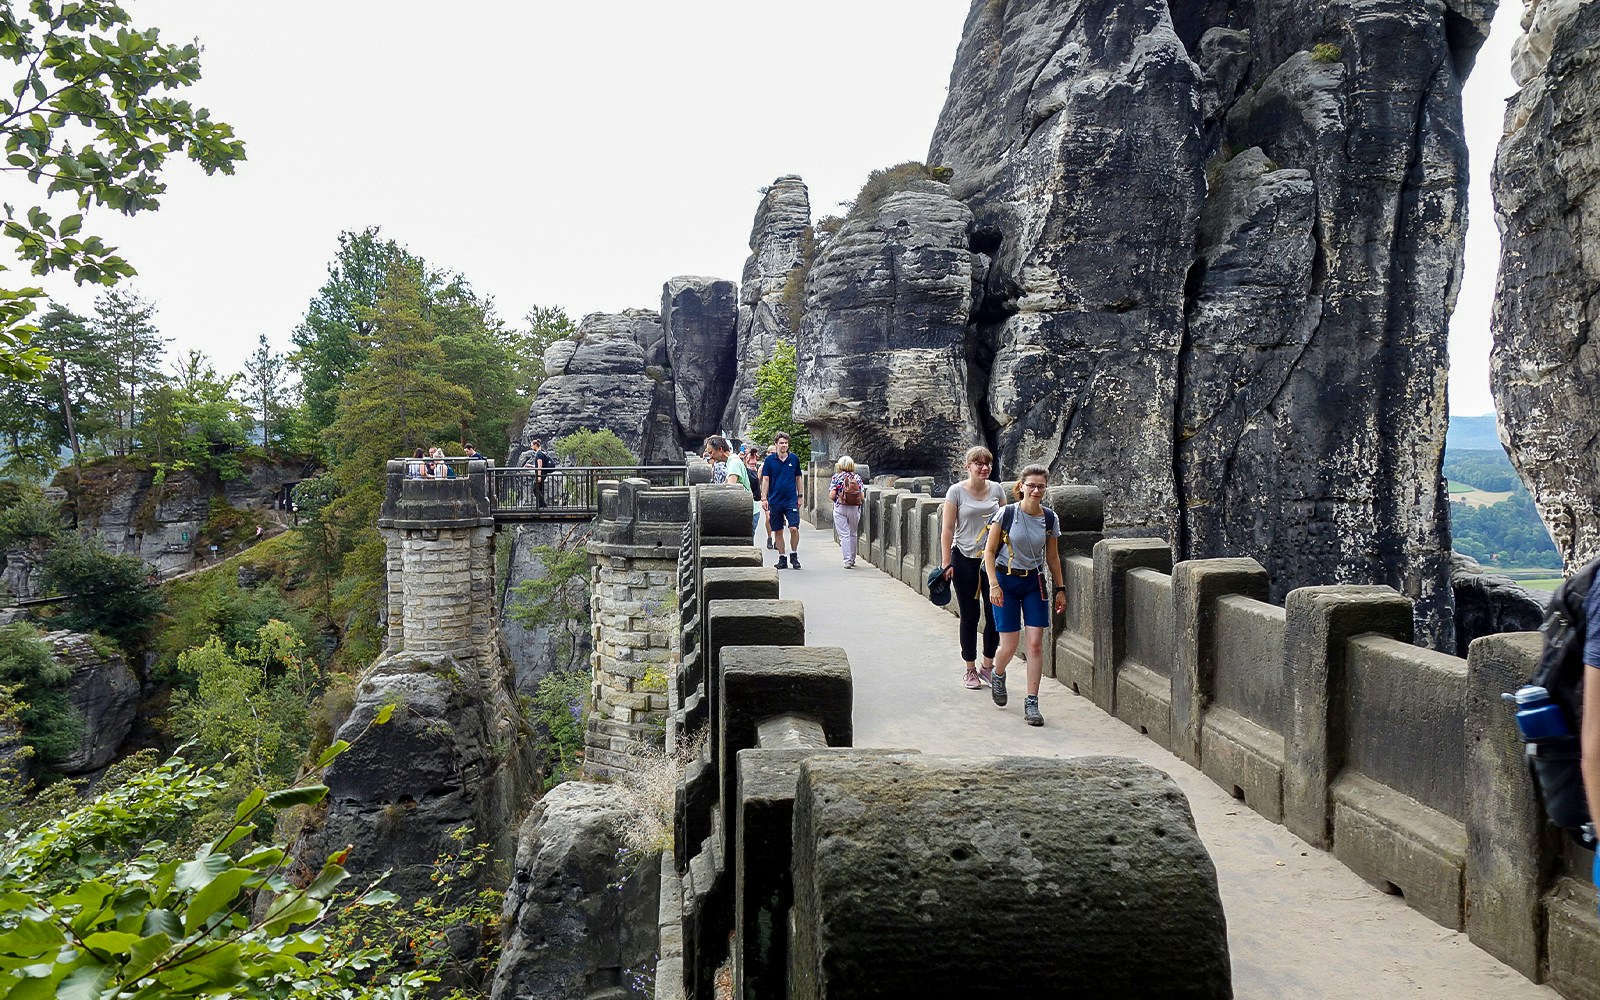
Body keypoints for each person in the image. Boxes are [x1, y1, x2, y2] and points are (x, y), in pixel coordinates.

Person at [982, 464, 1067, 726]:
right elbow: (988, 552)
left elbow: (1052, 557)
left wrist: (1061, 589)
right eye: (1031, 485)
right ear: (1021, 486)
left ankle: (1032, 702)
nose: (1036, 490)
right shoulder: (1005, 514)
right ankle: (997, 672)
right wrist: (994, 585)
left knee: (1035, 644)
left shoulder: (1050, 518)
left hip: (1034, 582)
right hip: (1005, 581)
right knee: (1009, 644)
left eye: (1041, 486)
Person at [940, 446, 1006, 690]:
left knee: (994, 615)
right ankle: (970, 669)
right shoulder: (956, 492)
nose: (983, 467)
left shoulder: (997, 490)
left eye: (987, 463)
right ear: (968, 466)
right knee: (970, 615)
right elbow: (947, 529)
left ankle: (987, 667)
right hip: (964, 558)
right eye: (978, 463)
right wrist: (946, 562)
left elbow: (1005, 524)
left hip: (992, 560)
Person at [760, 432, 804, 569]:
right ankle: (782, 557)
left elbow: (798, 478)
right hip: (775, 500)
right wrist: (763, 498)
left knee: (794, 528)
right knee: (778, 530)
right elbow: (765, 479)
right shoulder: (769, 461)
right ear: (776, 444)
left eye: (786, 443)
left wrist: (800, 496)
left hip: (791, 499)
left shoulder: (794, 459)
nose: (784, 445)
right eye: (781, 443)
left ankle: (794, 554)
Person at [828, 455, 865, 568]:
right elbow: (862, 496)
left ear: (839, 466)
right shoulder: (857, 477)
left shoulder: (836, 477)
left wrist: (838, 499)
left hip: (840, 507)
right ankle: (853, 559)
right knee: (853, 533)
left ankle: (847, 560)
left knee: (844, 535)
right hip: (854, 507)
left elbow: (832, 495)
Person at [520, 437, 555, 505]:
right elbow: (540, 465)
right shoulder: (541, 453)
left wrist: (538, 476)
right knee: (540, 489)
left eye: (532, 445)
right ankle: (541, 505)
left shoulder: (539, 454)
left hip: (540, 474)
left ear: (535, 445)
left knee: (535, 489)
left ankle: (543, 504)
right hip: (543, 474)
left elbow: (540, 466)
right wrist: (531, 466)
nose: (531, 447)